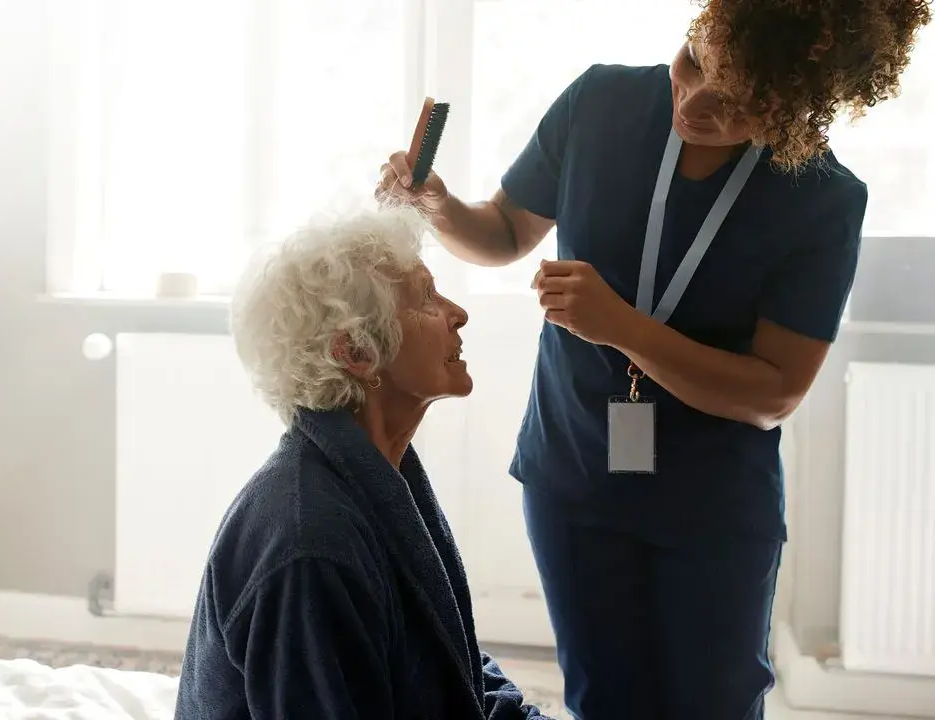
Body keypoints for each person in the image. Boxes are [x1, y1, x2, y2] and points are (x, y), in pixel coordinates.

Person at [375, 1, 932, 718]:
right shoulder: (598, 101)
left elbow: (773, 393)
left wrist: (623, 328)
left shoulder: (824, 198)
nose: (694, 99)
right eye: (694, 59)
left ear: (794, 104)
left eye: (734, 98)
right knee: (604, 701)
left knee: (713, 704)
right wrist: (440, 207)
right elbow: (508, 229)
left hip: (711, 508)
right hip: (572, 478)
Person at [174, 207, 551, 720]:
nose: (457, 313)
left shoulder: (379, 470)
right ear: (356, 350)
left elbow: (452, 667)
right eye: (425, 298)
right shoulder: (311, 543)